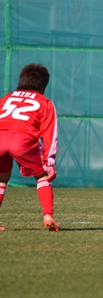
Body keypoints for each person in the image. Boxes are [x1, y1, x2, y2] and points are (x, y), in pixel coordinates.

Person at [0, 63, 60, 231]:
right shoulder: (45, 102)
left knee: (1, 178)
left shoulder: (7, 98)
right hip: (22, 139)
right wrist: (50, 162)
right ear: (42, 85)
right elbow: (50, 133)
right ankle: (48, 215)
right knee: (42, 176)